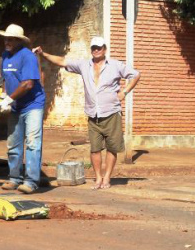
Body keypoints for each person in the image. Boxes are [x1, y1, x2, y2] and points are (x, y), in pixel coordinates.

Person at [33, 36, 141, 189]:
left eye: (99, 47)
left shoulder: (115, 65)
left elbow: (135, 74)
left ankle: (107, 178)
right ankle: (98, 178)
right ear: (91, 50)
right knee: (95, 148)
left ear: (104, 49)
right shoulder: (84, 65)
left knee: (112, 147)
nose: (96, 50)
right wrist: (43, 54)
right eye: (94, 48)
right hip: (93, 114)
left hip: (111, 112)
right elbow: (62, 61)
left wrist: (124, 92)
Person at [0, 24, 45, 194]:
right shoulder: (5, 56)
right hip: (16, 106)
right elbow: (5, 78)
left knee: (32, 142)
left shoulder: (27, 57)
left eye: (11, 39)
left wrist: (9, 99)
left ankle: (31, 181)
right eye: (5, 39)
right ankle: (14, 178)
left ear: (18, 41)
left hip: (33, 105)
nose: (7, 42)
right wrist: (4, 95)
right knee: (13, 143)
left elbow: (28, 84)